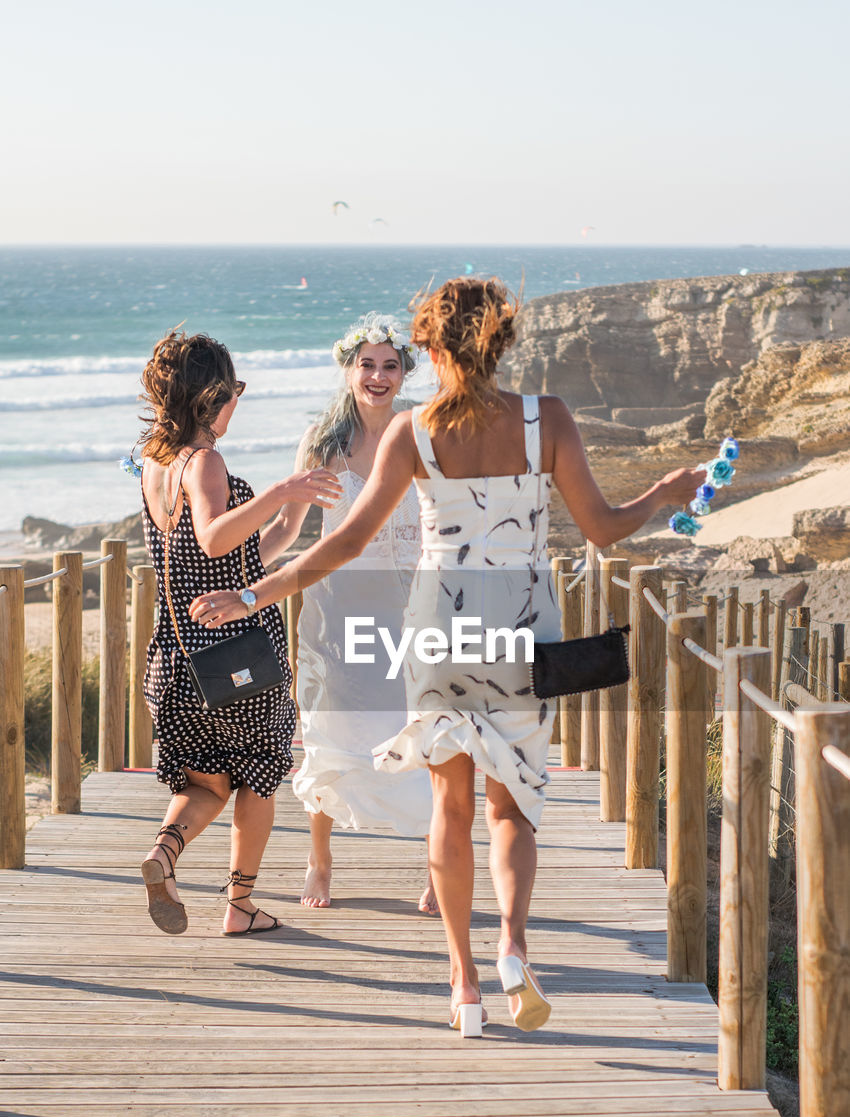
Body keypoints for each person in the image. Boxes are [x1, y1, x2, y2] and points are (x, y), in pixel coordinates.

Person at [189, 279, 703, 1030]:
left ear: (426, 350)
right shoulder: (546, 420)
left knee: (450, 807)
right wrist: (664, 490)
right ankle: (514, 946)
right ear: (502, 342)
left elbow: (346, 542)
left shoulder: (412, 432)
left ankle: (462, 983)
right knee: (513, 809)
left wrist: (255, 594)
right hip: (523, 630)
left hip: (436, 633)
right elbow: (603, 528)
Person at [136, 328, 342, 937]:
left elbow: (255, 549)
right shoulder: (206, 461)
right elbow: (214, 536)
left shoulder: (155, 463)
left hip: (176, 662)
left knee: (206, 782)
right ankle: (240, 905)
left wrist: (295, 503)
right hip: (236, 656)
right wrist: (280, 488)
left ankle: (164, 854)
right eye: (236, 391)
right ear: (211, 396)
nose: (237, 403)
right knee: (258, 775)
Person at [270, 314, 435, 912]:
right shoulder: (322, 442)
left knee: (422, 731)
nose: (378, 375)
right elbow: (290, 528)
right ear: (348, 369)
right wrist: (238, 573)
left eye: (390, 365)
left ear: (403, 374)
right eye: (366, 364)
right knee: (329, 736)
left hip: (411, 612)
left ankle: (437, 869)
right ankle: (321, 860)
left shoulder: (420, 433)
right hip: (335, 614)